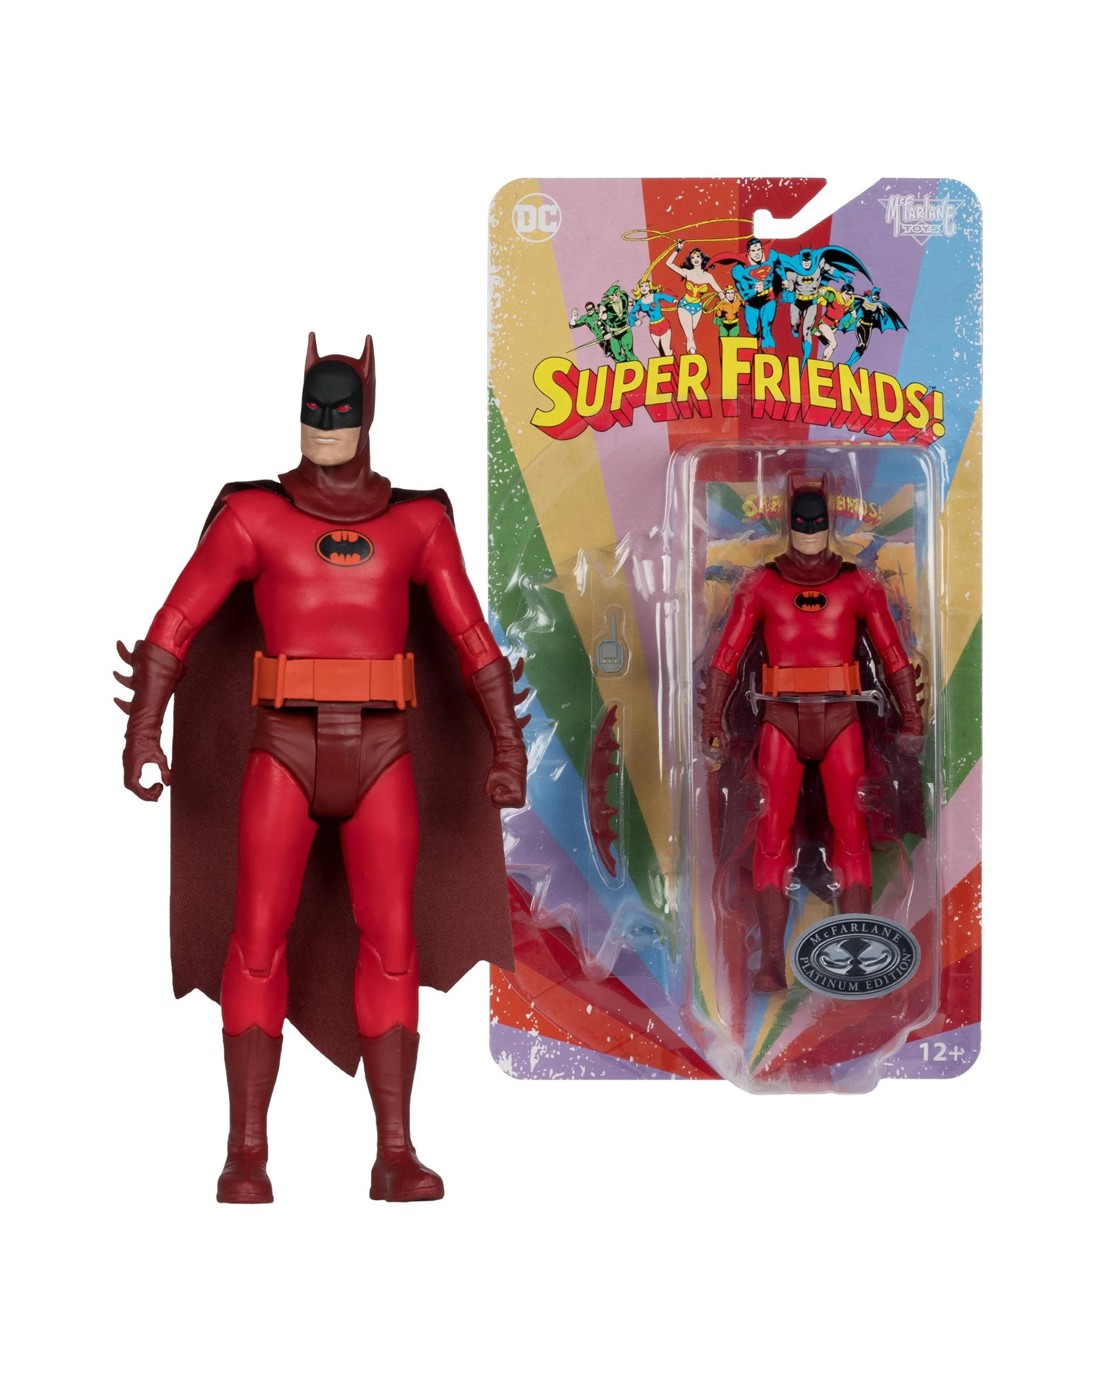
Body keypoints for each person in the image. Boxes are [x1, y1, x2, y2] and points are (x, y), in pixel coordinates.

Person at [118, 334, 527, 1202]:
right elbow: (177, 622)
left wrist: (507, 743)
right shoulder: (253, 516)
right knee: (256, 940)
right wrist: (145, 729)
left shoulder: (418, 523)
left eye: (339, 413)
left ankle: (395, 1151)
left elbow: (472, 641)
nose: (325, 426)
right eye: (314, 412)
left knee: (395, 942)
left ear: (367, 412)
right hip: (282, 746)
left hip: (384, 749)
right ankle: (246, 1153)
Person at [700, 480, 922, 991]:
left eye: (815, 524)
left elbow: (892, 654)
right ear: (790, 525)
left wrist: (910, 717)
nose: (808, 534)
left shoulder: (859, 584)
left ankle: (860, 957)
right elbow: (727, 655)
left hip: (843, 716)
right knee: (771, 834)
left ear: (827, 525)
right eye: (802, 525)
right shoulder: (760, 584)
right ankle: (770, 963)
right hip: (780, 717)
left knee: (852, 832)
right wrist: (713, 719)